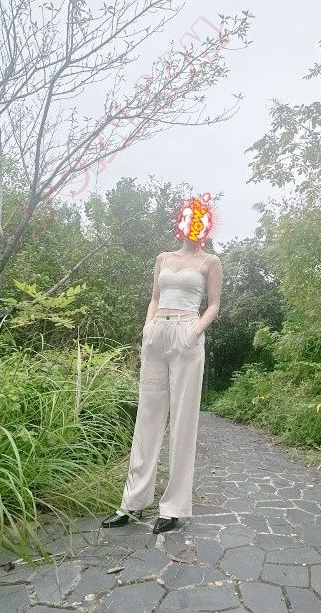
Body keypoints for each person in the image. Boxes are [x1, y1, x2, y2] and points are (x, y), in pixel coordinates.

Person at [101, 194, 223, 534]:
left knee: (183, 422)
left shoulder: (210, 261)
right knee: (147, 417)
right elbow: (155, 297)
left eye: (200, 219)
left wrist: (194, 332)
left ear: (206, 225)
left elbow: (214, 305)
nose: (193, 224)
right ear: (181, 221)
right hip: (156, 335)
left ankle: (173, 509)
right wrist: (148, 328)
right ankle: (132, 503)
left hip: (186, 334)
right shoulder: (163, 258)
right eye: (189, 217)